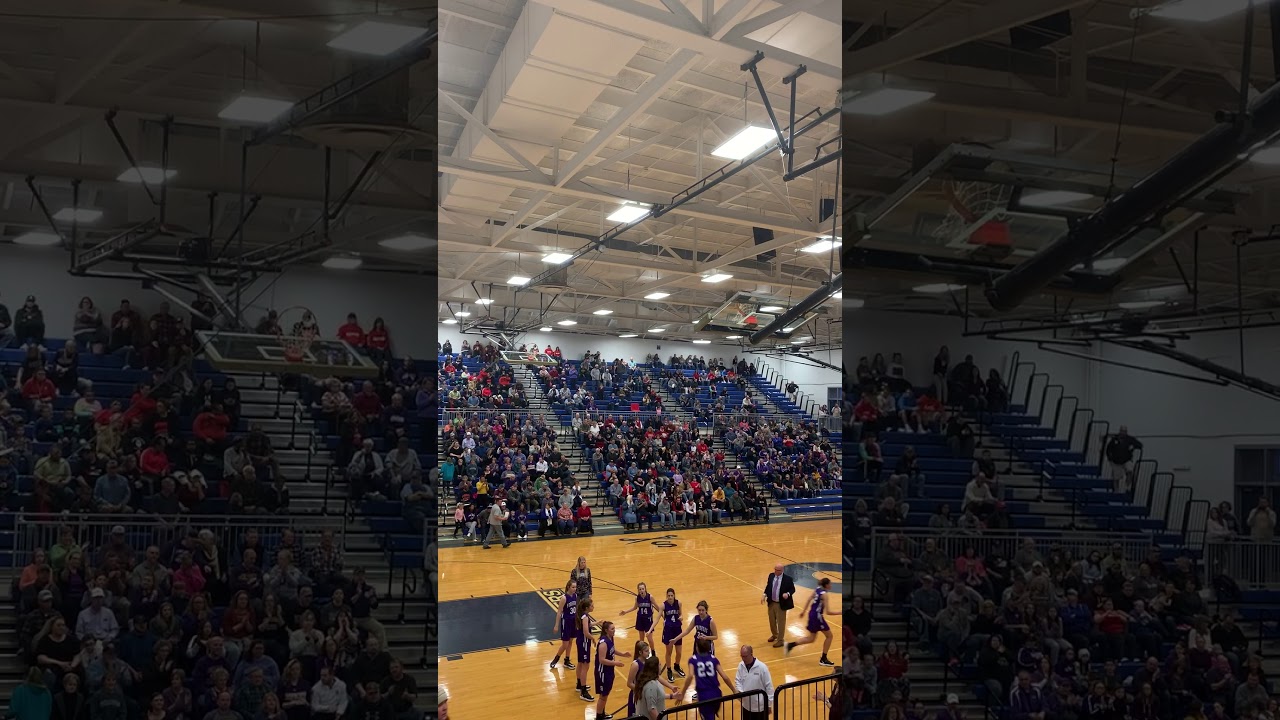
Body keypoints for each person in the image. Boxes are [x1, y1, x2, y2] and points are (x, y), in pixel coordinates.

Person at [785, 577, 838, 666]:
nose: (831, 585)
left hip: (812, 614)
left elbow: (809, 599)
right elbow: (828, 612)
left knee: (811, 639)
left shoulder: (818, 589)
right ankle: (823, 659)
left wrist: (803, 611)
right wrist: (840, 612)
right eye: (830, 584)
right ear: (826, 585)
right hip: (817, 617)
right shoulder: (824, 595)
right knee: (829, 636)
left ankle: (790, 645)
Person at [679, 638, 734, 720]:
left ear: (697, 647)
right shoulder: (713, 658)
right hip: (717, 693)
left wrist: (683, 693)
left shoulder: (693, 660)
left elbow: (690, 676)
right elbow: (724, 676)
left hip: (704, 695)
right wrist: (734, 690)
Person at [592, 621, 630, 720]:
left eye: (614, 628)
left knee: (606, 693)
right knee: (603, 696)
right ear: (606, 630)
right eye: (612, 629)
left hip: (608, 670)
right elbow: (602, 660)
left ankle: (602, 713)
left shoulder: (610, 638)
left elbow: (612, 649)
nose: (614, 630)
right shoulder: (603, 643)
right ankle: (599, 717)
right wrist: (615, 663)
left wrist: (623, 654)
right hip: (602, 672)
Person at [734, 645, 774, 720]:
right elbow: (737, 680)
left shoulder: (762, 667)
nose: (743, 659)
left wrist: (769, 704)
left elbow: (769, 687)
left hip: (760, 707)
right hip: (746, 705)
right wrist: (741, 693)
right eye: (741, 656)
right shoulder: (741, 665)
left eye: (745, 656)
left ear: (751, 654)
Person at [633, 655, 679, 720]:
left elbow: (657, 696)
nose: (661, 666)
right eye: (659, 665)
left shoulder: (649, 679)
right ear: (656, 668)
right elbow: (651, 709)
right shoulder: (651, 685)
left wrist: (672, 696)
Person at [761, 563, 795, 649]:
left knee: (781, 623)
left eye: (778, 570)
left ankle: (780, 640)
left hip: (781, 604)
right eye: (775, 569)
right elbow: (768, 586)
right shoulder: (771, 576)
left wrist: (787, 594)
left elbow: (792, 589)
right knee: (772, 621)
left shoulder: (788, 579)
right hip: (771, 602)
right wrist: (764, 595)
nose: (776, 571)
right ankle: (774, 635)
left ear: (782, 570)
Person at [1104, 426, 1143, 495]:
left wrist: (1133, 446)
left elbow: (1140, 445)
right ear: (1120, 431)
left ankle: (1127, 487)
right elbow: (1108, 449)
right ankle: (1116, 491)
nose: (1123, 432)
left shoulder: (1130, 439)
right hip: (1116, 461)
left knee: (1130, 471)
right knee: (1117, 477)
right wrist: (1110, 459)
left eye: (1124, 431)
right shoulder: (1114, 439)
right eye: (1122, 431)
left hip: (1127, 460)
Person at [550, 579, 579, 671]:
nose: (574, 589)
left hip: (573, 621)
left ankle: (567, 660)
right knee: (565, 644)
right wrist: (556, 625)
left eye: (575, 587)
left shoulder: (575, 596)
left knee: (570, 642)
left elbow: (576, 609)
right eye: (573, 587)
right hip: (566, 622)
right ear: (568, 587)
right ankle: (556, 658)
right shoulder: (564, 598)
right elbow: (559, 612)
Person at [619, 581, 656, 652]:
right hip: (640, 619)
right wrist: (625, 611)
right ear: (638, 590)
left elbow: (657, 607)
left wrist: (663, 615)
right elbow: (634, 607)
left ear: (645, 589)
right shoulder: (637, 598)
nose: (641, 590)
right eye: (640, 589)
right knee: (641, 639)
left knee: (650, 639)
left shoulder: (650, 597)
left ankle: (653, 652)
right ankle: (642, 653)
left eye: (642, 589)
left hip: (648, 620)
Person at [660, 588, 686, 683]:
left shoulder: (678, 603)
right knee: (669, 652)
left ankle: (677, 666)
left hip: (677, 630)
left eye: (672, 595)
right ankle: (669, 670)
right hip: (668, 631)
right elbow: (660, 616)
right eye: (668, 595)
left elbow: (681, 614)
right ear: (666, 596)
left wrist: (682, 617)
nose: (670, 597)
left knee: (679, 652)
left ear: (674, 595)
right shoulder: (663, 605)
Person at [576, 596, 597, 702]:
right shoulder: (585, 617)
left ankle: (579, 684)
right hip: (584, 642)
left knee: (580, 663)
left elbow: (588, 625)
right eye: (592, 605)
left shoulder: (584, 616)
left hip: (581, 641)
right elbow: (586, 632)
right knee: (585, 666)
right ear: (587, 607)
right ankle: (583, 692)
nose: (594, 606)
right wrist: (593, 638)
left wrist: (597, 623)